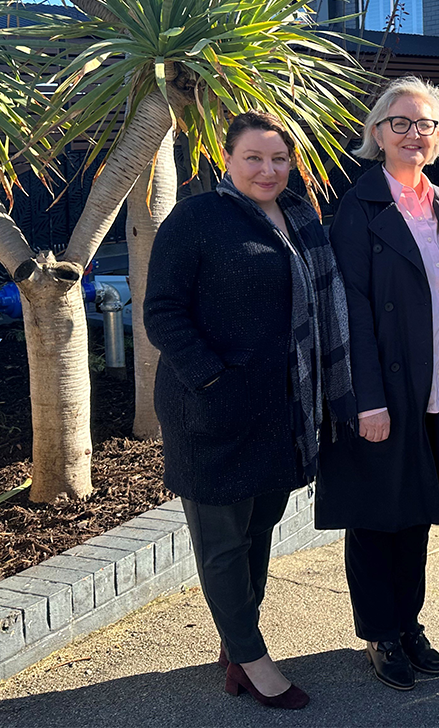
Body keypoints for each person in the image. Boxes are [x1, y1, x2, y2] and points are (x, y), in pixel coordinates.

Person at [143, 110, 355, 710]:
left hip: (283, 410)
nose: (268, 170)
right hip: (210, 413)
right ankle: (254, 660)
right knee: (222, 542)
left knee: (258, 532)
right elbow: (161, 311)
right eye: (254, 158)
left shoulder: (299, 217)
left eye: (279, 159)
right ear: (226, 161)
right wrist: (214, 378)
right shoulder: (198, 218)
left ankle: (236, 645)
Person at [316, 76, 439, 692]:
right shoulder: (359, 208)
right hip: (383, 393)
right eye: (400, 122)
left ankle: (409, 623)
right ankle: (380, 631)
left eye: (426, 123)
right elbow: (347, 308)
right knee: (377, 518)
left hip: (434, 391)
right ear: (378, 133)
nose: (414, 133)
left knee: (416, 516)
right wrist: (365, 397)